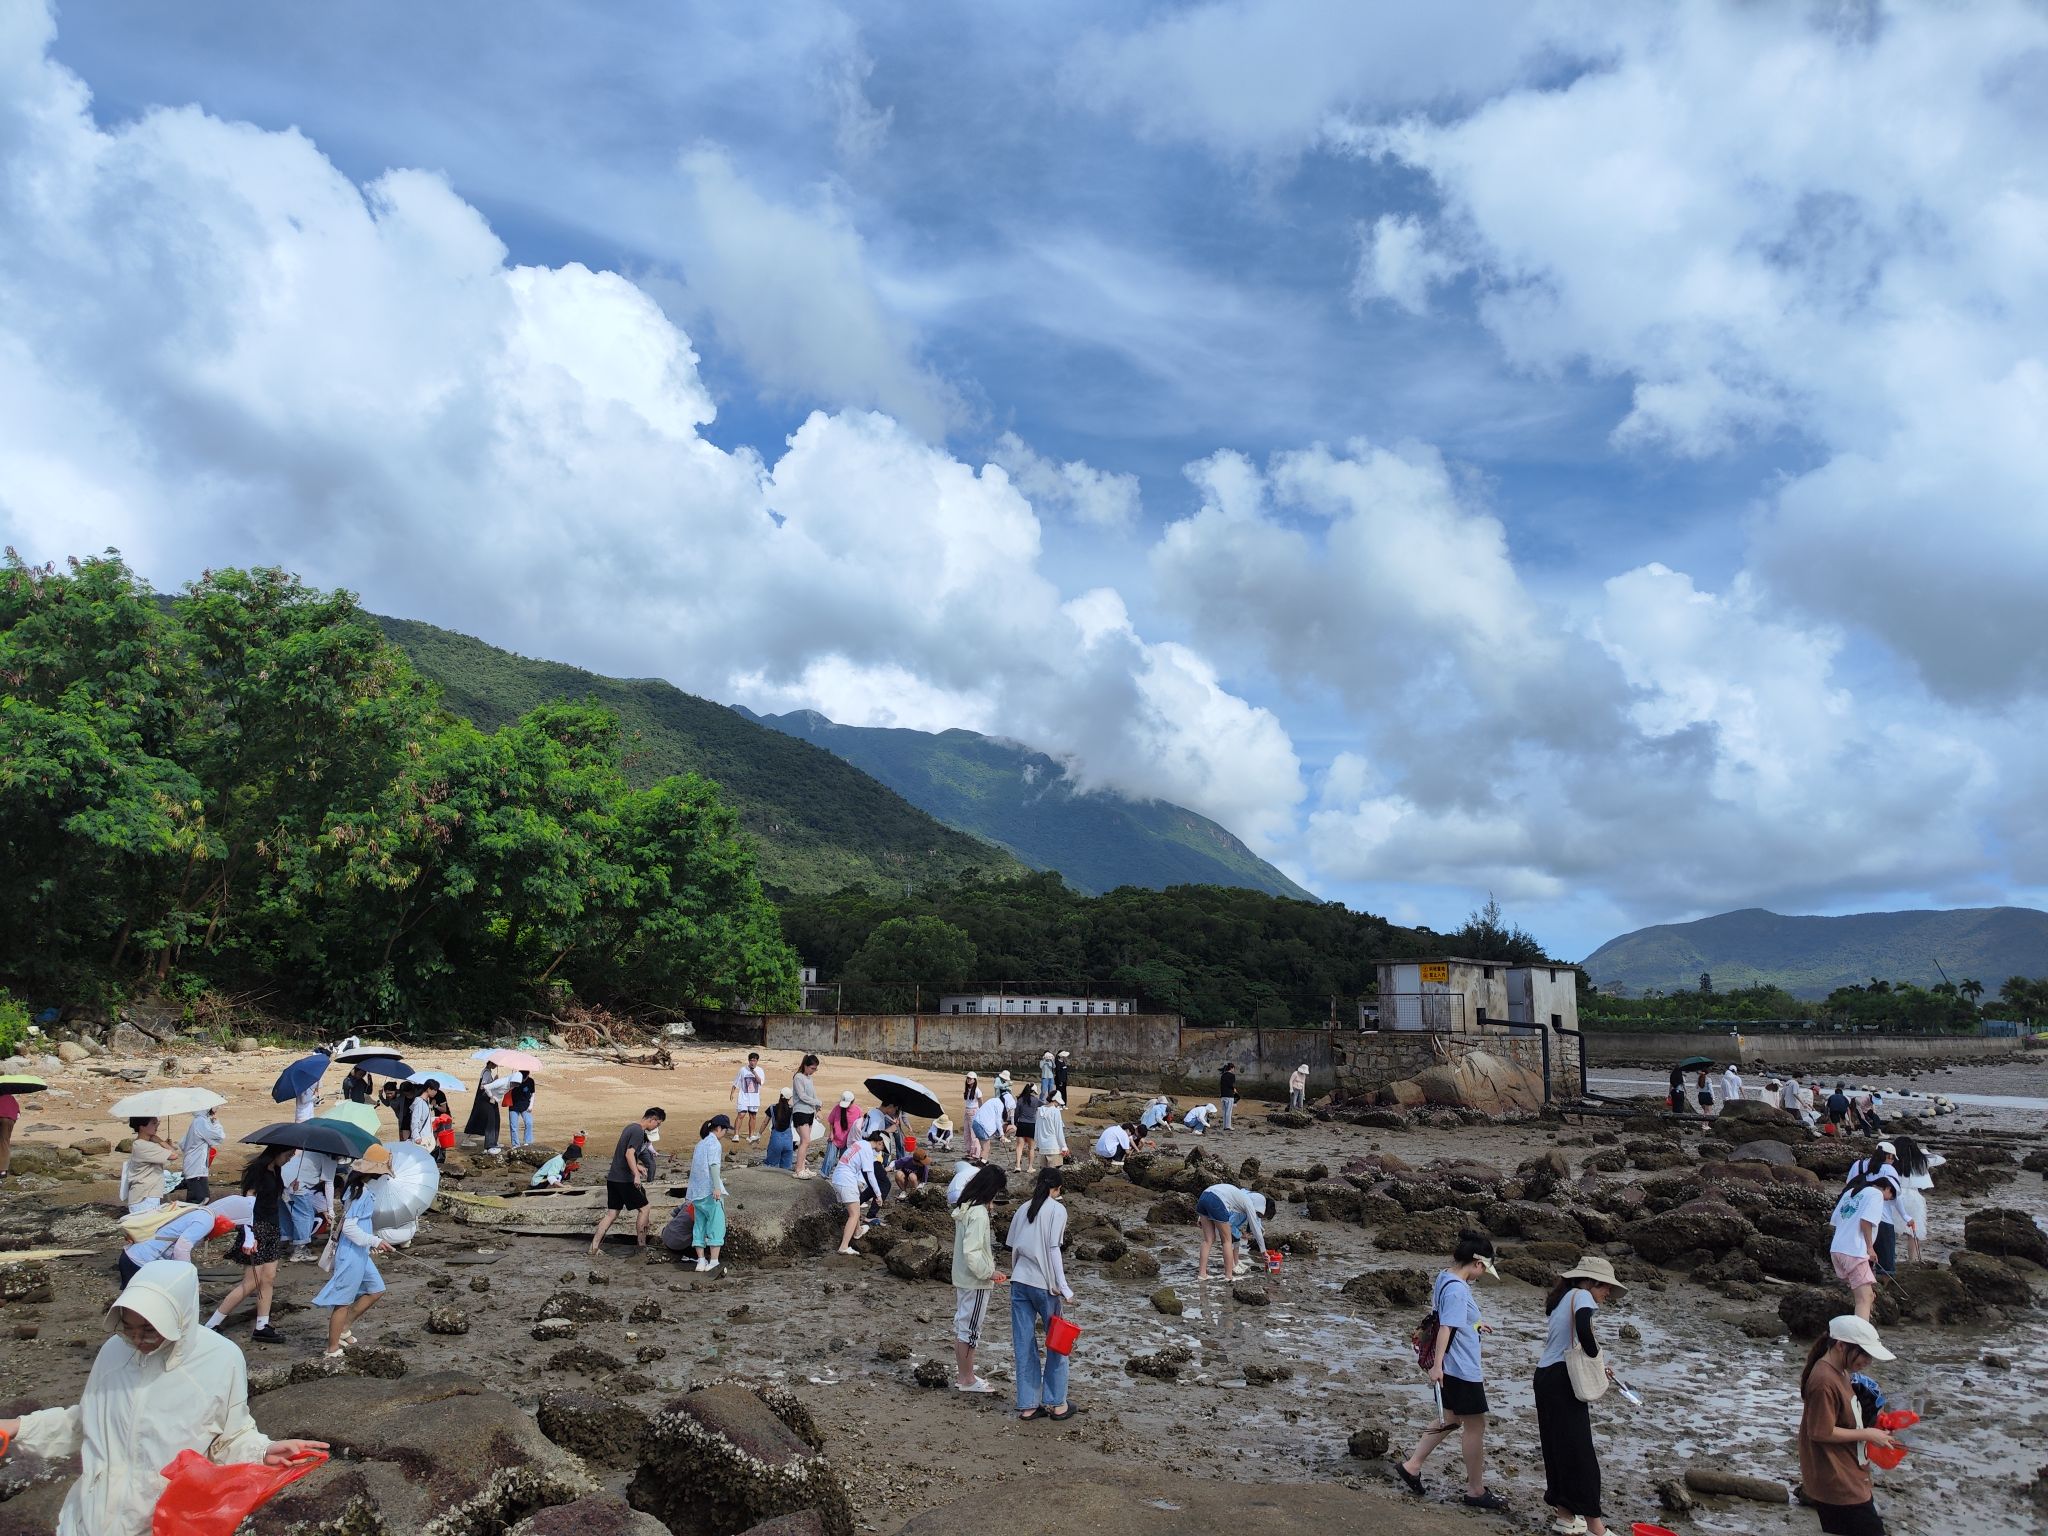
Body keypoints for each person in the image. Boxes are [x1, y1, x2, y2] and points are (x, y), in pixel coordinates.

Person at [0, 1260, 327, 1536]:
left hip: (161, 1520)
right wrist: (18, 1427)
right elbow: (87, 1421)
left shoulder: (220, 1359)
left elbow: (229, 1438)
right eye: (128, 1327)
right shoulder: (115, 1352)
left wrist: (263, 1451)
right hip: (89, 1516)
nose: (137, 1338)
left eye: (149, 1329)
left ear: (180, 1318)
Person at [1395, 1232, 1507, 1513]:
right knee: (1475, 1426)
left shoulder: (1445, 1277)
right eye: (1484, 1270)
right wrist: (1437, 1366)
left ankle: (1412, 1466)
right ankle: (1476, 1490)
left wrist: (1476, 1325)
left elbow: (1451, 1318)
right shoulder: (1458, 1289)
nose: (1481, 1275)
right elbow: (1446, 1326)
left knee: (1450, 1418)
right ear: (1478, 1264)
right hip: (1460, 1368)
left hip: (1451, 1366)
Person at [1535, 1256, 1625, 1536]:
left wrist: (1595, 1361)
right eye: (1605, 1286)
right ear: (1590, 1281)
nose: (1608, 1292)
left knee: (1557, 1449)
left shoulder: (1562, 1299)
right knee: (1580, 1453)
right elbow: (1584, 1328)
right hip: (1563, 1379)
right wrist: (1596, 1357)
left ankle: (1565, 1517)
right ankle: (1596, 1527)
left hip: (1545, 1376)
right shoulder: (1582, 1295)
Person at [1797, 1315, 1900, 1535]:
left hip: (1849, 1475)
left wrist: (1875, 1424)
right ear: (1841, 1346)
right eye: (1864, 1354)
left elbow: (1842, 1418)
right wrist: (1869, 1434)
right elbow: (1820, 1432)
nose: (1868, 1361)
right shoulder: (1824, 1381)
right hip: (1838, 1483)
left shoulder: (1842, 1371)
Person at [1007, 1166, 1075, 1422]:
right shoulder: (1057, 1210)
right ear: (1056, 1189)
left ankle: (1028, 1405)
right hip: (1043, 1285)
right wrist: (1063, 1287)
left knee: (1023, 1343)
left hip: (1019, 1281)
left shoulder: (1023, 1208)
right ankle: (1057, 1403)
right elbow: (1053, 1248)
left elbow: (1013, 1246)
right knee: (1057, 1341)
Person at [314, 1146, 394, 1358]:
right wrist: (375, 1240)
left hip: (359, 1250)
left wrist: (370, 1243)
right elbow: (349, 1227)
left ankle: (344, 1328)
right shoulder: (361, 1192)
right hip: (351, 1253)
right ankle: (332, 1348)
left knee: (376, 1289)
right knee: (343, 1300)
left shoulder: (357, 1187)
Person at [205, 1146, 291, 1343]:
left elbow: (272, 1199)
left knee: (268, 1278)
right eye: (288, 1155)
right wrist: (249, 1235)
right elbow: (248, 1202)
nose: (289, 1159)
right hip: (256, 1228)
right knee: (252, 1281)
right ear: (276, 1152)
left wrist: (289, 1190)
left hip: (272, 1228)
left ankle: (262, 1325)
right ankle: (212, 1323)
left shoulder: (276, 1171)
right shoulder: (258, 1172)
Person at [950, 1164, 1007, 1392]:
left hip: (964, 1277)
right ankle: (967, 1379)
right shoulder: (979, 1213)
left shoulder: (966, 1206)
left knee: (963, 1326)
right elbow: (972, 1252)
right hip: (975, 1281)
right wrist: (988, 1273)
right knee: (970, 1330)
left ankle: (965, 1375)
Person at [590, 1108, 665, 1256]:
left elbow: (624, 1155)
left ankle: (593, 1247)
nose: (657, 1127)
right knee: (645, 1208)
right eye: (658, 1124)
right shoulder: (638, 1131)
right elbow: (629, 1153)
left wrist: (637, 1166)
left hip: (613, 1178)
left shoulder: (630, 1127)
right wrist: (636, 1174)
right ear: (653, 1119)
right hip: (624, 1179)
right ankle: (641, 1247)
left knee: (612, 1214)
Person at [119, 1205, 221, 1287]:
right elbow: (181, 1250)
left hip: (131, 1254)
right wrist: (191, 1279)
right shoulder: (204, 1222)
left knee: (129, 1299)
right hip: (141, 1262)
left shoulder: (192, 1213)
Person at [1831, 1172, 1887, 1320]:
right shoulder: (1876, 1194)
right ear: (1886, 1188)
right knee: (1864, 1299)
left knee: (1867, 1296)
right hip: (1853, 1252)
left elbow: (1836, 1221)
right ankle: (1859, 1333)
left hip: (1837, 1249)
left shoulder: (1849, 1193)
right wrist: (1870, 1248)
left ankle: (1860, 1328)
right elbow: (1865, 1221)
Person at [1842, 1143, 1901, 1276]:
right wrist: (1906, 1217)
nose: (1893, 1161)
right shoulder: (1889, 1170)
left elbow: (1849, 1188)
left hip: (1856, 1215)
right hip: (1883, 1218)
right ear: (1889, 1156)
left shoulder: (1858, 1165)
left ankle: (1861, 1282)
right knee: (1886, 1265)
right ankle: (1880, 1286)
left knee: (1862, 1258)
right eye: (1893, 1158)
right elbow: (1897, 1196)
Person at [1195, 1181, 1271, 1280]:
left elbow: (1211, 1197)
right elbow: (1255, 1228)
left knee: (1208, 1240)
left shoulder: (1242, 1195)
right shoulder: (1249, 1203)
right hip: (1217, 1201)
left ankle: (1202, 1274)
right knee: (1227, 1241)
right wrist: (1264, 1252)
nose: (1257, 1213)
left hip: (1204, 1196)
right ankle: (1229, 1276)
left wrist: (1200, 1218)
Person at [688, 1115, 733, 1273]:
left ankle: (701, 1261)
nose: (725, 1133)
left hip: (696, 1192)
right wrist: (717, 1187)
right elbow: (714, 1166)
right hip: (708, 1191)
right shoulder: (714, 1144)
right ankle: (713, 1261)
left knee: (699, 1226)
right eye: (725, 1130)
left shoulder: (701, 1143)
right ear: (719, 1128)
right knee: (716, 1225)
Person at [831, 1130, 887, 1255]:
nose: (882, 1150)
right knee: (854, 1215)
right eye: (883, 1147)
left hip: (838, 1178)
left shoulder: (860, 1143)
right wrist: (878, 1195)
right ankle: (843, 1247)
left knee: (855, 1209)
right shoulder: (867, 1150)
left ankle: (857, 1231)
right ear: (880, 1142)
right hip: (846, 1180)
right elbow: (870, 1174)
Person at [1893, 1137, 1944, 1263]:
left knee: (1891, 1229)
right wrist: (1923, 1152)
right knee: (1913, 1231)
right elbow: (1941, 1159)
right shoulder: (1921, 1161)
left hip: (1895, 1195)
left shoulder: (1892, 1161)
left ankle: (1890, 1258)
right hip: (1913, 1196)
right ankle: (1913, 1259)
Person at [119, 1118, 174, 1214]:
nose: (156, 1126)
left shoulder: (143, 1144)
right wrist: (160, 1141)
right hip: (145, 1196)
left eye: (157, 1123)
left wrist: (161, 1143)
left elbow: (169, 1152)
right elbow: (173, 1155)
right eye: (153, 1123)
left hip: (146, 1194)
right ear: (142, 1127)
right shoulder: (142, 1145)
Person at [178, 1109, 225, 1205]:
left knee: (197, 1202)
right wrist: (216, 1122)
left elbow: (182, 1144)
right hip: (197, 1170)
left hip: (193, 1169)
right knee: (199, 1202)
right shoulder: (201, 1122)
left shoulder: (196, 1122)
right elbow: (218, 1136)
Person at [790, 1055, 822, 1177]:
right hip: (800, 1112)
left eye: (815, 1069)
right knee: (805, 1140)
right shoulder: (798, 1077)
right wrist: (817, 1102)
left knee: (806, 1141)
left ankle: (803, 1167)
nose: (814, 1071)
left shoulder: (809, 1078)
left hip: (809, 1112)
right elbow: (802, 1096)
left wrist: (818, 1108)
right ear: (806, 1066)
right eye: (812, 1068)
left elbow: (813, 1095)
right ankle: (799, 1170)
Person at [465, 1063, 504, 1156]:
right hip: (486, 1099)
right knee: (490, 1120)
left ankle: (493, 1142)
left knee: (481, 1118)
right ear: (490, 1063)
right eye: (495, 1064)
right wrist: (494, 1082)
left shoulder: (487, 1072)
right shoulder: (486, 1073)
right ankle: (491, 1144)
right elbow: (483, 1086)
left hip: (485, 1100)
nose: (496, 1066)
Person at [823, 1090, 859, 1178]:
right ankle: (824, 1176)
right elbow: (831, 1121)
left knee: (843, 1162)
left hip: (847, 1141)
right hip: (835, 1138)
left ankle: (840, 1177)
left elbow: (859, 1126)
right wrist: (831, 1133)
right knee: (829, 1159)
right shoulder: (837, 1108)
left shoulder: (857, 1110)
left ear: (852, 1102)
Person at [730, 1053, 765, 1142]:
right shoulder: (743, 1070)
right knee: (741, 1115)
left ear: (757, 1061)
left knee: (753, 1116)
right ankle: (736, 1135)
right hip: (743, 1097)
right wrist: (732, 1093)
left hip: (754, 1098)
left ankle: (751, 1135)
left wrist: (754, 1073)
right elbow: (736, 1082)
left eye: (754, 1060)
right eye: (751, 1060)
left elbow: (760, 1082)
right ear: (748, 1061)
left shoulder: (760, 1070)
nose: (752, 1062)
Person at [761, 1092, 796, 1172]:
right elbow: (797, 1124)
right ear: (789, 1098)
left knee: (771, 1167)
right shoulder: (792, 1109)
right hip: (788, 1141)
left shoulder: (772, 1107)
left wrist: (759, 1134)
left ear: (780, 1095)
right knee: (786, 1169)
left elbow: (765, 1122)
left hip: (775, 1140)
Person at [1033, 1091, 1069, 1167]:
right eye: (1058, 1102)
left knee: (1044, 1172)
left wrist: (1037, 1144)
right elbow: (1059, 1131)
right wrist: (1064, 1147)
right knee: (1054, 1172)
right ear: (1055, 1100)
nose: (1058, 1104)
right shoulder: (1056, 1111)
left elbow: (1037, 1128)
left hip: (1043, 1147)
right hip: (1054, 1147)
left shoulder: (1039, 1110)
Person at [1012, 1086, 1040, 1173]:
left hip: (1021, 1124)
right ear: (1033, 1092)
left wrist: (1015, 1123)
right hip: (1031, 1125)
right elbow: (1044, 1105)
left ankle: (1017, 1166)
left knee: (1019, 1146)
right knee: (1031, 1148)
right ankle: (1030, 1167)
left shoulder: (1020, 1099)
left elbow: (1016, 1113)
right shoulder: (1036, 1100)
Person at [969, 1093, 1006, 1160]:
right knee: (986, 1149)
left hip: (976, 1123)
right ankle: (981, 1163)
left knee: (984, 1148)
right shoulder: (1000, 1104)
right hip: (981, 1127)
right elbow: (998, 1121)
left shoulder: (994, 1101)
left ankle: (983, 1162)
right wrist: (1002, 1135)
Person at [507, 1071, 537, 1149]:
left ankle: (527, 1142)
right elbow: (507, 1089)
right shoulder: (514, 1079)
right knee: (513, 1125)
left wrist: (531, 1105)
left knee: (529, 1123)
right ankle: (515, 1144)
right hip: (513, 1105)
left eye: (525, 1076)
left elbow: (533, 1093)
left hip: (525, 1106)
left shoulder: (530, 1081)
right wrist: (511, 1085)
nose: (523, 1079)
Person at [961, 1072, 985, 1159]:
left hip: (974, 1112)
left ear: (974, 1080)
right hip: (967, 1111)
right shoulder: (967, 1089)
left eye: (970, 1078)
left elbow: (981, 1102)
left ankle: (975, 1153)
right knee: (966, 1133)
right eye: (968, 1078)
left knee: (973, 1134)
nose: (968, 1080)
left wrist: (981, 1113)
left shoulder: (977, 1091)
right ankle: (969, 1151)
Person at [430, 1090, 455, 1164]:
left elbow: (444, 1109)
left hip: (444, 1119)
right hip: (436, 1119)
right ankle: (435, 1157)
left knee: (442, 1139)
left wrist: (436, 1106)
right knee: (434, 1138)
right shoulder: (428, 1095)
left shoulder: (440, 1095)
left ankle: (441, 1158)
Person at [0, 1085, 16, 1180]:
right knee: (4, 1143)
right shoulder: (11, 1098)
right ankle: (3, 1171)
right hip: (9, 1120)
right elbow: (17, 1113)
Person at [1219, 1062, 1239, 1129]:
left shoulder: (1223, 1075)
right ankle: (1228, 1126)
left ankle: (1224, 1126)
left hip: (1223, 1095)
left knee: (1224, 1112)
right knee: (1229, 1112)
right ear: (1231, 1068)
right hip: (1229, 1095)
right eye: (1234, 1068)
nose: (1234, 1070)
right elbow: (1231, 1085)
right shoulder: (1232, 1075)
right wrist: (1234, 1089)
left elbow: (1222, 1085)